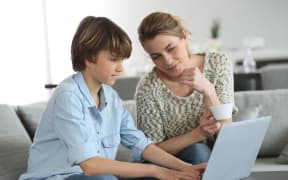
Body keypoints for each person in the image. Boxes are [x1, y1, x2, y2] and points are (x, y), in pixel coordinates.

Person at [19, 16, 206, 180]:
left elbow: (141, 144)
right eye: (114, 60)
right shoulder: (68, 96)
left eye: (122, 61)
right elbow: (90, 166)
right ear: (89, 57)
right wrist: (156, 170)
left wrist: (186, 168)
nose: (121, 69)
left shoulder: (110, 97)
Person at [135, 12, 236, 165]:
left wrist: (209, 91)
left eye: (171, 48)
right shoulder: (148, 88)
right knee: (197, 151)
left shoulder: (218, 64)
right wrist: (198, 134)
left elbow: (228, 134)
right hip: (171, 164)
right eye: (157, 56)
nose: (167, 61)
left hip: (218, 157)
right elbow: (150, 152)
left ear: (185, 37)